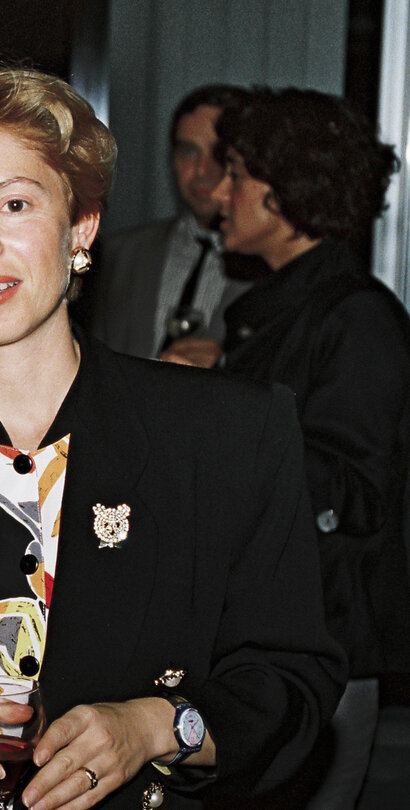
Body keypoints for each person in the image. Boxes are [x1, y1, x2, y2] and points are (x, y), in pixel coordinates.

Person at [0, 63, 344, 810]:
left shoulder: (229, 436)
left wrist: (157, 726)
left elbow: (292, 682)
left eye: (14, 203)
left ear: (80, 224)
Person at [206, 87, 410, 808]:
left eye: (235, 174)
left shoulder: (357, 319)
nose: (218, 193)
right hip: (275, 642)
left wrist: (213, 407)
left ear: (288, 187)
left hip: (322, 653)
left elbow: (352, 490)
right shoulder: (290, 309)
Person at [88, 85, 254, 365]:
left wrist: (226, 363)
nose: (203, 170)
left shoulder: (268, 264)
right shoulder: (122, 253)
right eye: (189, 152)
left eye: (219, 155)